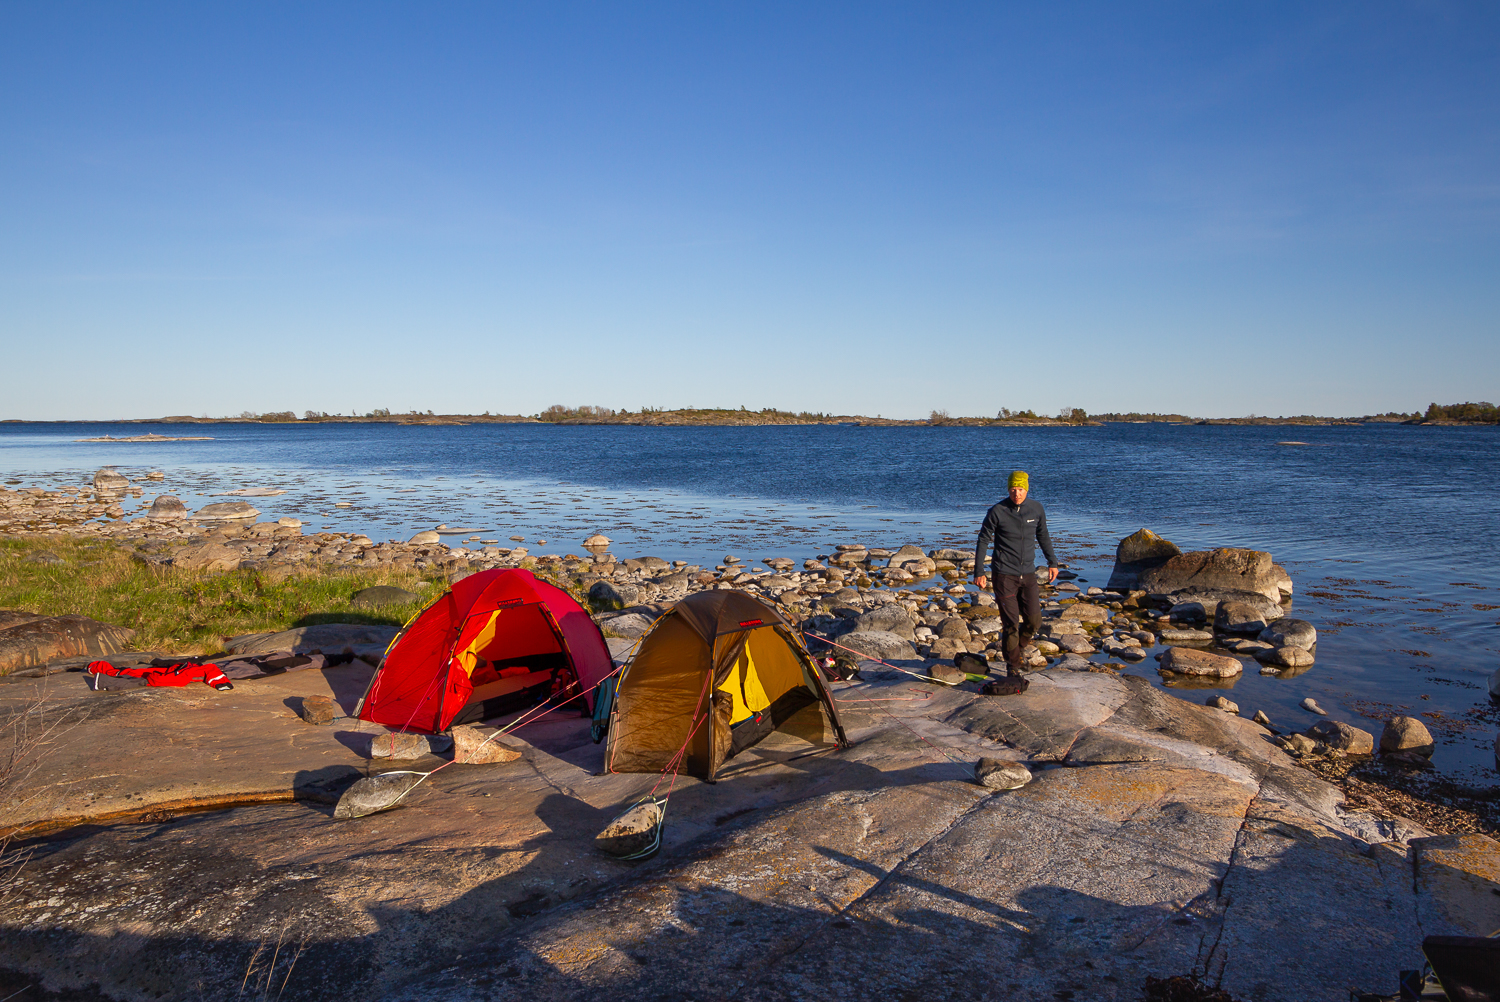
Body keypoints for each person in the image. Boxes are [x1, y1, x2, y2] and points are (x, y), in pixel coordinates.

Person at [973, 470, 1059, 675]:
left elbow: (1043, 535)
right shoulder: (997, 511)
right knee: (1011, 623)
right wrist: (979, 571)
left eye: (1020, 489)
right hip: (1004, 574)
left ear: (1026, 489)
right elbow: (983, 539)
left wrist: (1052, 562)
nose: (1016, 494)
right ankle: (1013, 668)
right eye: (1013, 489)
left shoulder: (1036, 509)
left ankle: (1015, 653)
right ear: (1008, 490)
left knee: (1034, 621)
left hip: (1028, 573)